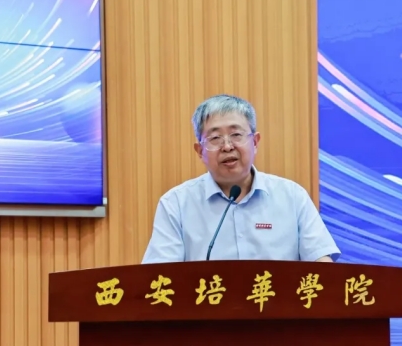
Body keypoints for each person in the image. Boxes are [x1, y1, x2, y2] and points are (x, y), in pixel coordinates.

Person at [141, 94, 341, 263]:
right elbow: (159, 277)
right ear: (200, 151)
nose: (227, 146)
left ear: (255, 142)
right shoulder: (176, 204)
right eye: (215, 138)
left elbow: (321, 264)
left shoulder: (292, 196)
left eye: (236, 135)